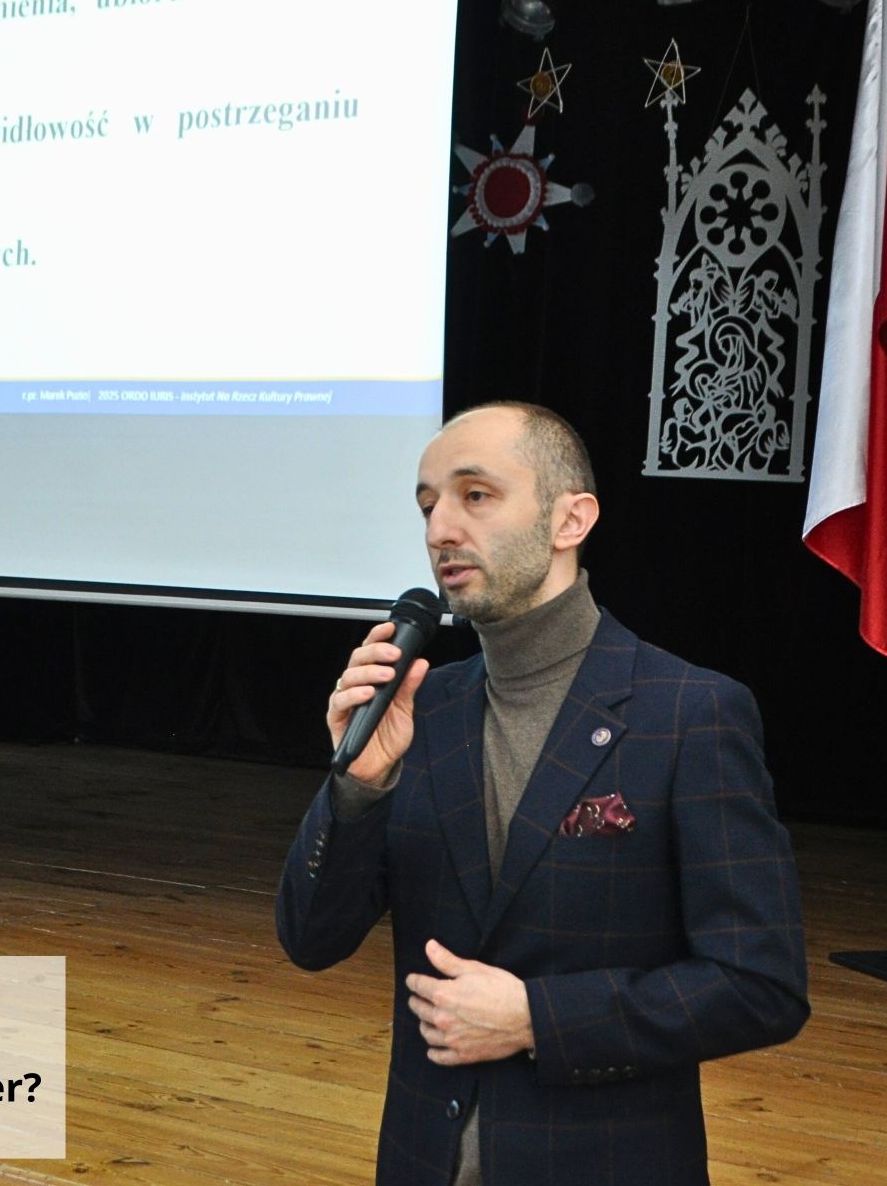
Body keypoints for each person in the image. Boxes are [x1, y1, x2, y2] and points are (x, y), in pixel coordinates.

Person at [276, 401, 809, 1185]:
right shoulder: (423, 712)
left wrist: (538, 1020)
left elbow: (761, 986)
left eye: (476, 495)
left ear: (571, 519)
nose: (440, 529)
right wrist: (356, 788)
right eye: (427, 506)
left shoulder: (688, 713)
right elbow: (310, 940)